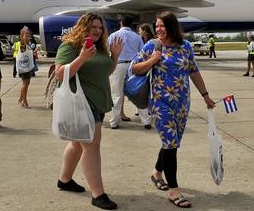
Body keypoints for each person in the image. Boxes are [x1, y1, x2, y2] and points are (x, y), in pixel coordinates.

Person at [131, 11, 215, 209]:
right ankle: (174, 191)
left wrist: (205, 95)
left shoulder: (185, 46)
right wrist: (152, 60)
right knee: (170, 143)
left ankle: (156, 173)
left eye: (162, 25)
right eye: (157, 25)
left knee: (172, 144)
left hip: (182, 103)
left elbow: (193, 71)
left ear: (172, 27)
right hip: (161, 102)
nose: (159, 29)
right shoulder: (152, 45)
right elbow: (134, 68)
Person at [54, 13, 123, 210]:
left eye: (100, 28)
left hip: (99, 102)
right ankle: (98, 194)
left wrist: (115, 57)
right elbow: (60, 73)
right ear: (83, 27)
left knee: (77, 143)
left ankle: (64, 180)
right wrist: (81, 58)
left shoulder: (99, 47)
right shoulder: (70, 46)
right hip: (83, 104)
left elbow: (106, 71)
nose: (97, 30)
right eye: (93, 27)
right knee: (91, 146)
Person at [107, 15, 148, 129]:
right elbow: (142, 53)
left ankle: (114, 121)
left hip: (118, 65)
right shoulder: (137, 37)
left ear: (121, 23)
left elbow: (108, 51)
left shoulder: (113, 35)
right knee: (138, 93)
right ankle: (146, 121)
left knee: (117, 94)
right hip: (133, 66)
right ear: (131, 24)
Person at [16, 26, 34, 108]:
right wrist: (23, 32)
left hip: (27, 67)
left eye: (28, 35)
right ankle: (24, 101)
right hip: (24, 67)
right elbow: (23, 40)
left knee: (26, 83)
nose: (27, 36)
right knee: (25, 84)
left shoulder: (28, 45)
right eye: (26, 35)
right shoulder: (22, 45)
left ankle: (21, 98)